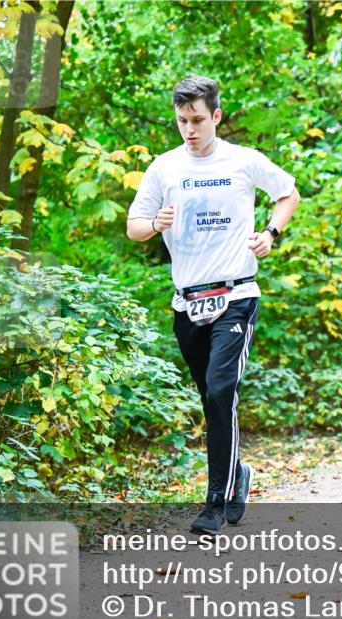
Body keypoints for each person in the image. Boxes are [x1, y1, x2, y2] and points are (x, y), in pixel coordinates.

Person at [127, 76, 301, 534]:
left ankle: (214, 503)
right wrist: (155, 224)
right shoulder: (164, 167)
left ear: (216, 116)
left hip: (236, 295)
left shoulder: (242, 160)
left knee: (222, 390)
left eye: (198, 120)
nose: (190, 130)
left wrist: (271, 233)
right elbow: (134, 226)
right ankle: (237, 473)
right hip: (187, 304)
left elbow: (288, 193)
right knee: (211, 398)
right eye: (182, 121)